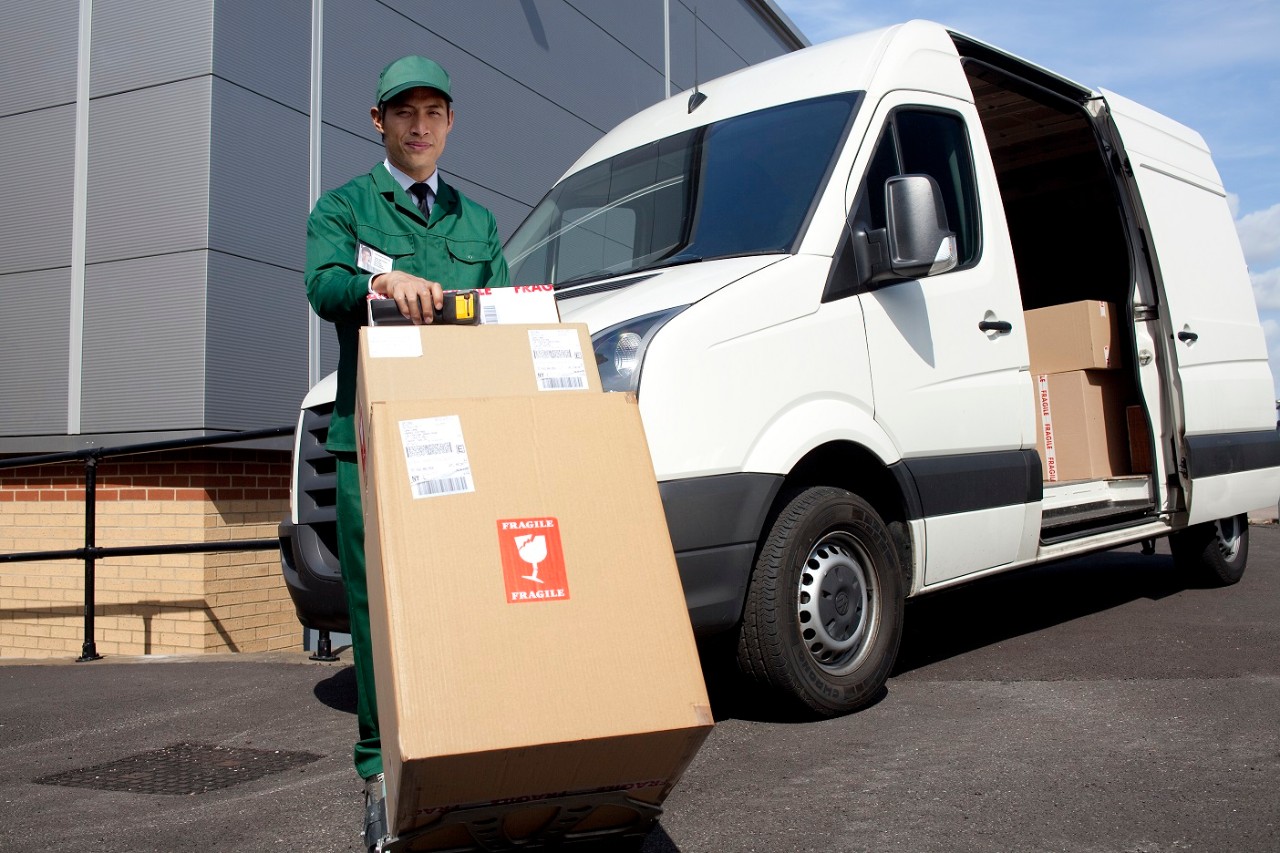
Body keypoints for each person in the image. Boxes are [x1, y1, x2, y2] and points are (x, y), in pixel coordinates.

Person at [304, 55, 511, 850]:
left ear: (450, 123)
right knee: (379, 612)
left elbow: (500, 312)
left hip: (458, 437)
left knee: (462, 600)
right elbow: (323, 286)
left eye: (434, 112)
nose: (419, 125)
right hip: (374, 442)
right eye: (404, 112)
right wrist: (381, 286)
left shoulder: (477, 221)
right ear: (379, 122)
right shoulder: (345, 207)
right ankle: (379, 777)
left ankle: (465, 764)